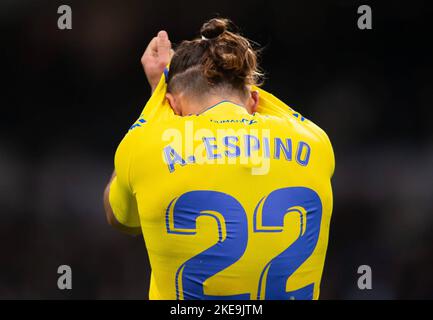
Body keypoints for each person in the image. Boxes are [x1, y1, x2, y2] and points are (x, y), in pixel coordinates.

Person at [103, 18, 334, 300]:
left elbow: (120, 217)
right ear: (253, 101)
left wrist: (158, 92)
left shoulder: (145, 146)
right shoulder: (315, 142)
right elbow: (271, 107)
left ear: (172, 106)